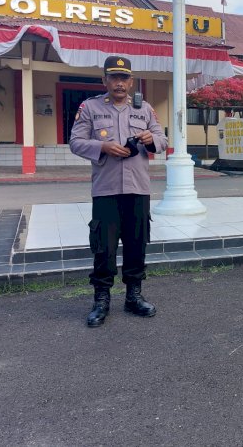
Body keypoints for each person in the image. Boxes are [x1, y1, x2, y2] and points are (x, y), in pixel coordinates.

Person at [70, 56, 168, 327]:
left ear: (131, 82)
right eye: (113, 77)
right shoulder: (89, 108)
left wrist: (151, 139)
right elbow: (75, 142)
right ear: (104, 80)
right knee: (104, 247)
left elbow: (162, 140)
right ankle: (101, 300)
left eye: (124, 78)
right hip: (106, 189)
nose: (119, 83)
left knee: (137, 244)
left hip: (138, 188)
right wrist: (102, 147)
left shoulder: (145, 109)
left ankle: (133, 296)